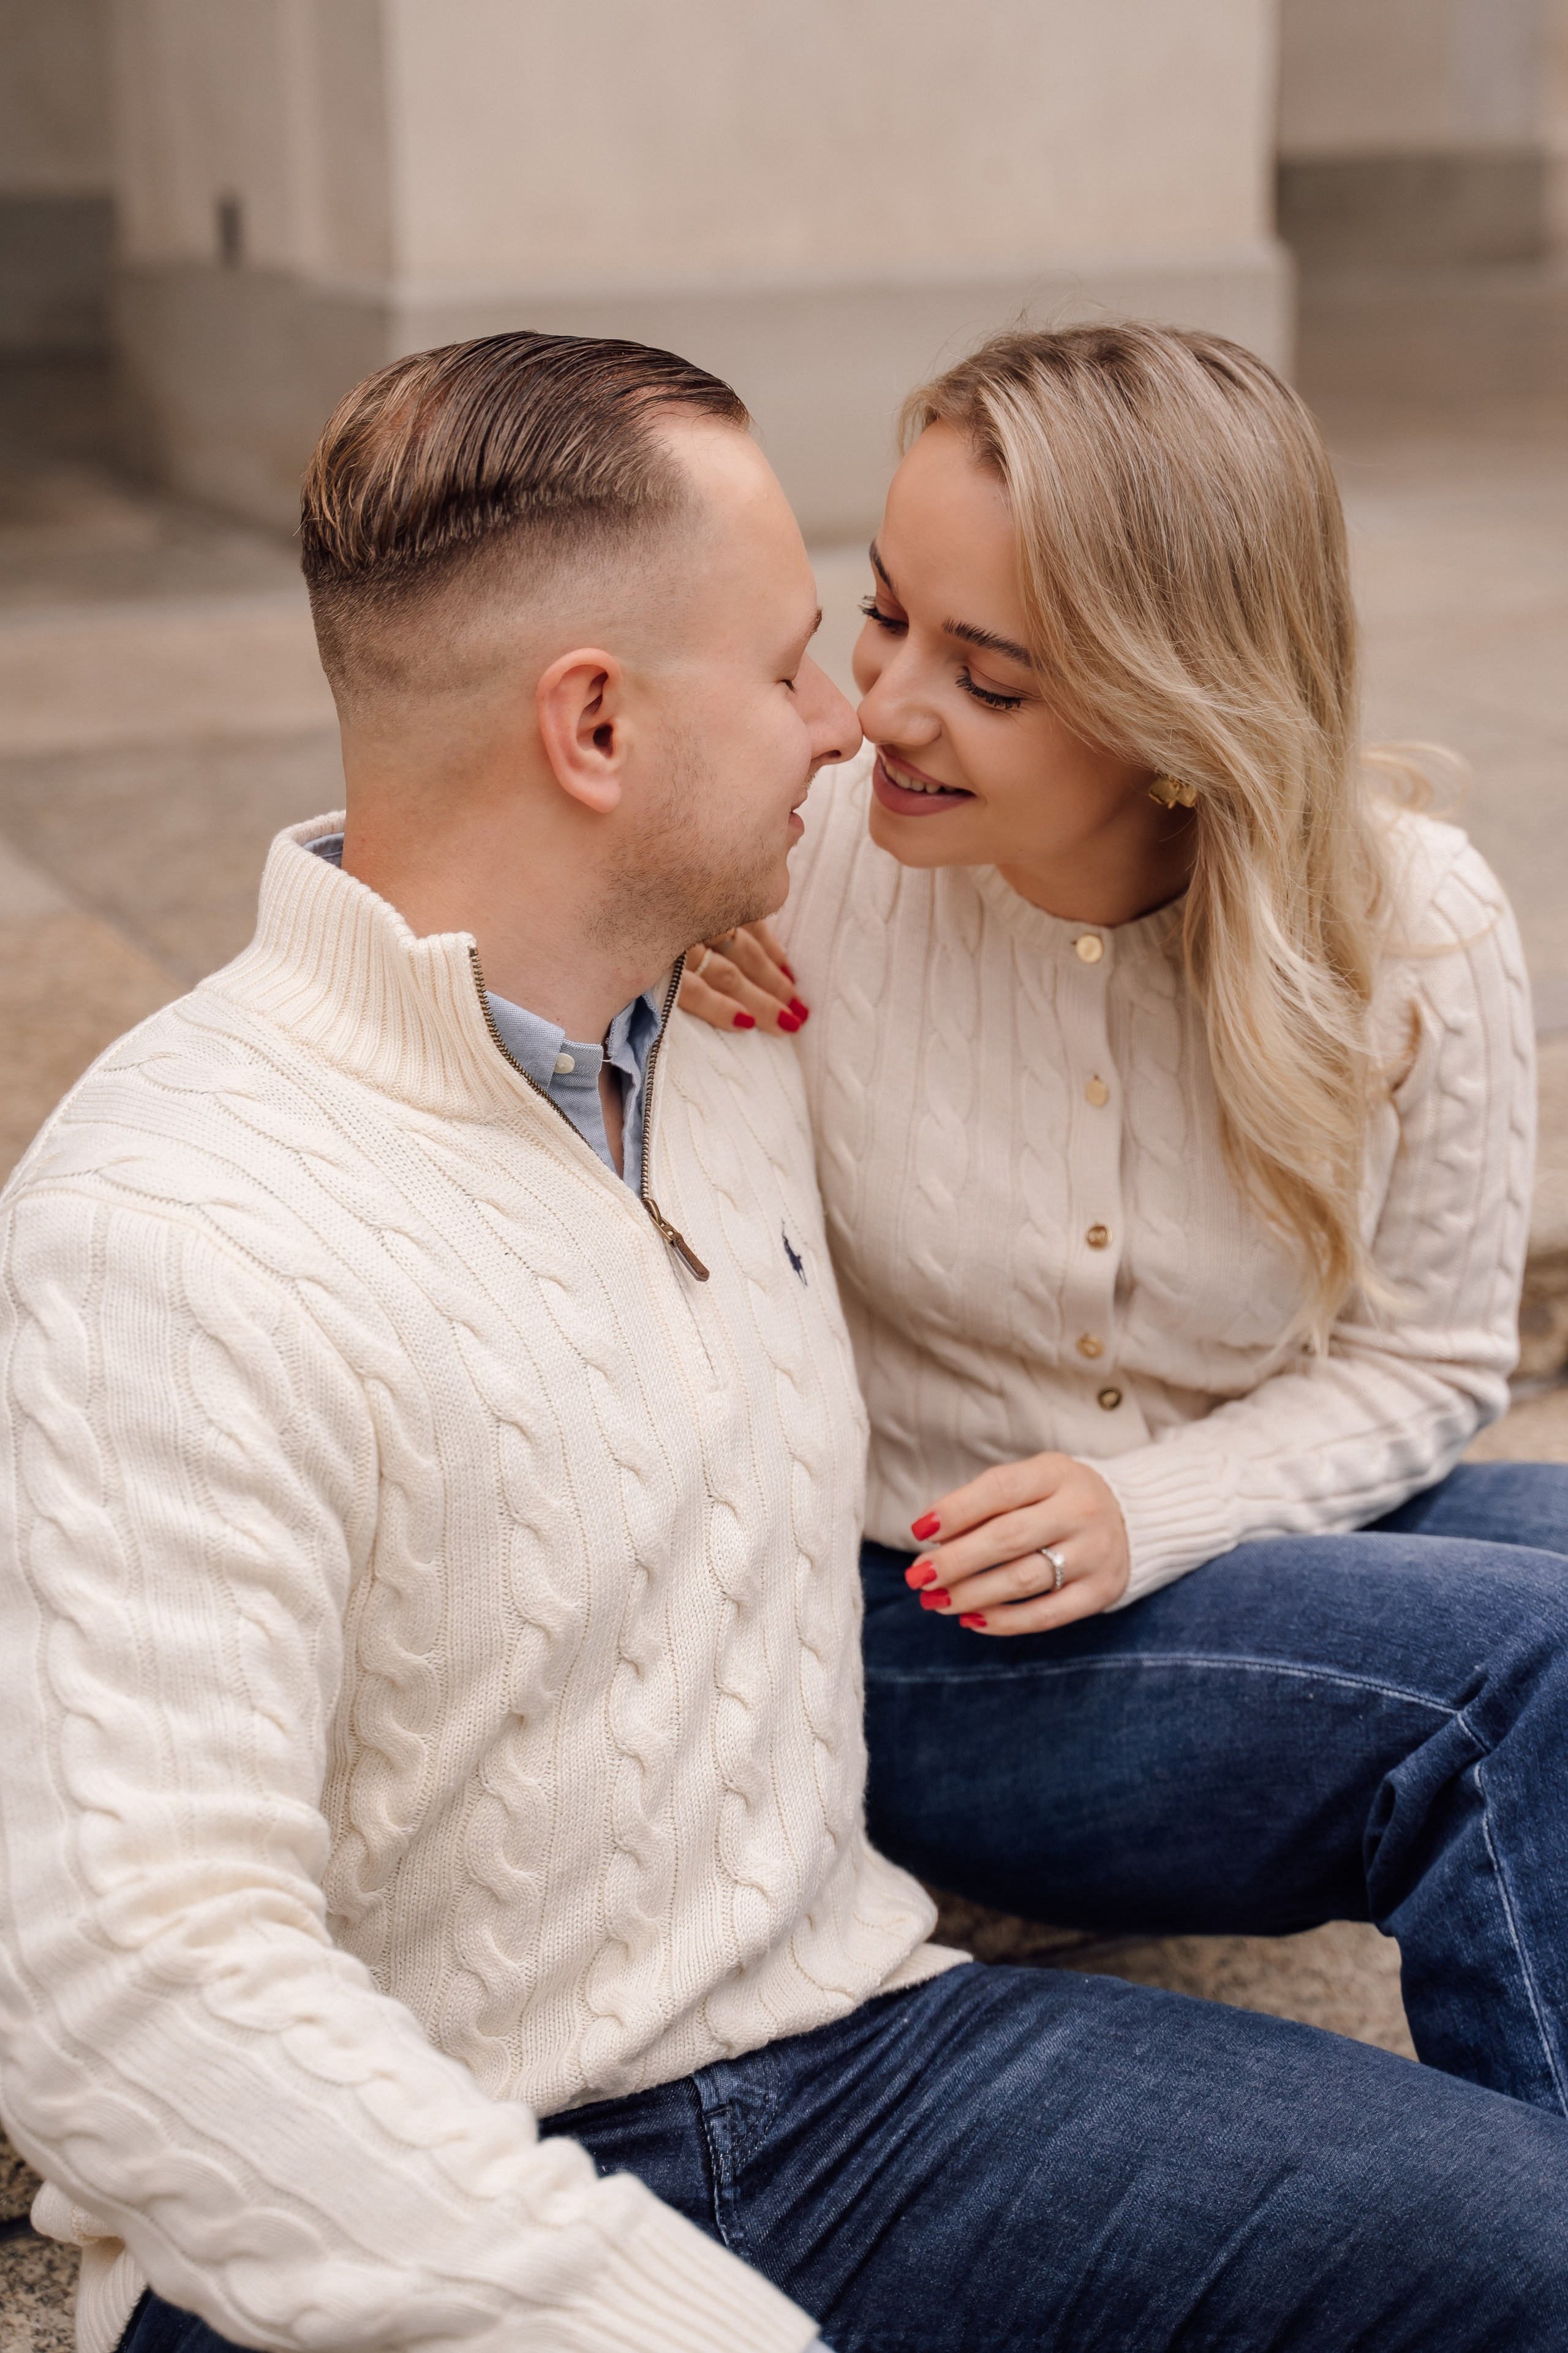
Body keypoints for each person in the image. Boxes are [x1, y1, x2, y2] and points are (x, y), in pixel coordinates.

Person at [2, 330, 1567, 2353]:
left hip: (851, 2053)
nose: (856, 724)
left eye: (945, 662)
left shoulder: (716, 1016)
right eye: (802, 659)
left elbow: (478, 835)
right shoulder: (180, 1215)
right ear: (594, 729)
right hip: (445, 2176)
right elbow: (133, 1982)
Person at [680, 321, 1568, 2120]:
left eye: (989, 678)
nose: (883, 711)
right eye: (885, 616)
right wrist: (620, 930)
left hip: (1233, 1539)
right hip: (912, 1626)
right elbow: (436, 861)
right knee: (1533, 1682)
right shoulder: (807, 857)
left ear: (1183, 713)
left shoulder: (1412, 927)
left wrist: (1154, 1505)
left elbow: (1434, 1355)